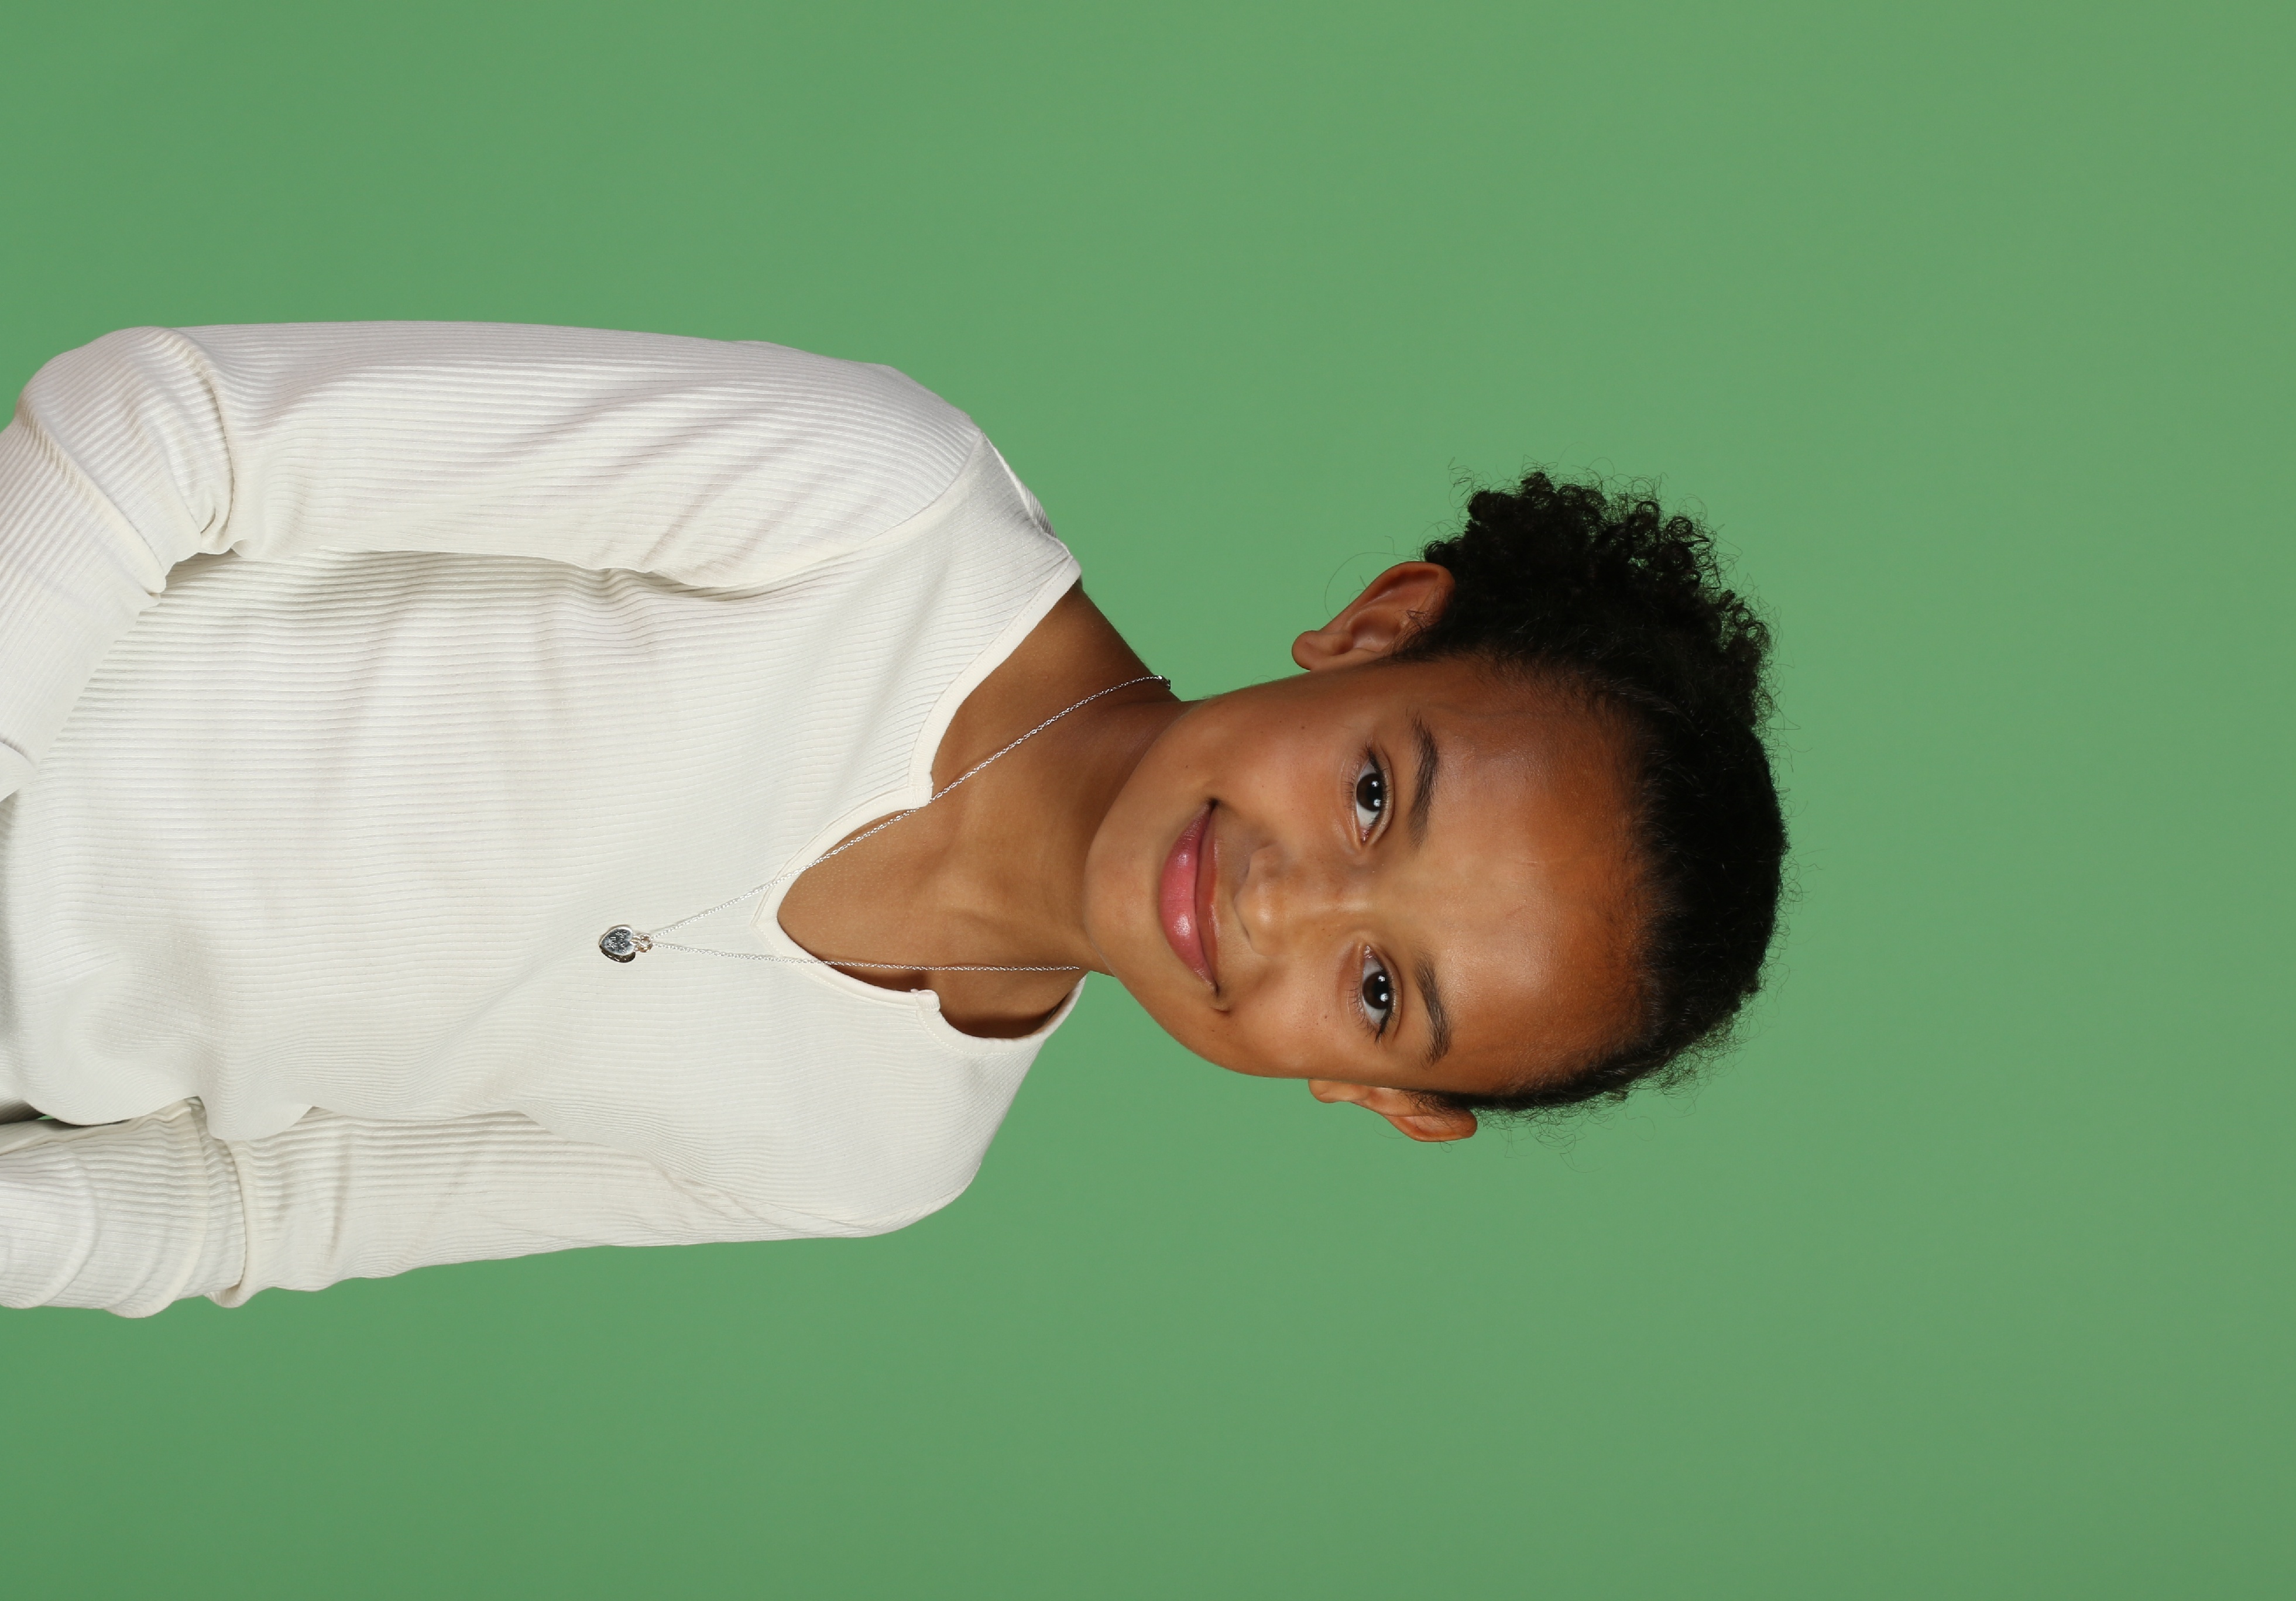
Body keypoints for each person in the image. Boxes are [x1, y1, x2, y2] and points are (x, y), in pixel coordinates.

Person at [0, 323, 1785, 1316]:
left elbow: (259, 1211)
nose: (1279, 904)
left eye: (1381, 991)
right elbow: (164, 433)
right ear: (1380, 627)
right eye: (1378, 793)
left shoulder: (867, 1158)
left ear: (1374, 1095)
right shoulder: (877, 510)